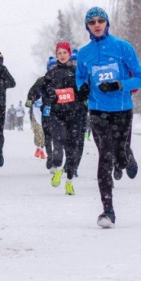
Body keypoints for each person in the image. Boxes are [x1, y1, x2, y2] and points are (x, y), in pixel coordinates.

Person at [75, 7, 141, 228]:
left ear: (107, 23)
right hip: (97, 112)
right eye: (91, 22)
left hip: (122, 110)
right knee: (105, 156)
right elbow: (80, 78)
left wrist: (119, 84)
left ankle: (127, 156)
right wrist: (82, 88)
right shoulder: (84, 53)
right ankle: (108, 211)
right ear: (87, 26)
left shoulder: (122, 47)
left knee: (120, 156)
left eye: (100, 20)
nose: (96, 25)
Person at [42, 41, 88, 195]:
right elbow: (45, 91)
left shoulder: (77, 71)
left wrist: (81, 97)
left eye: (65, 53)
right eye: (59, 53)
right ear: (56, 56)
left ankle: (69, 181)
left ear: (69, 54)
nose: (62, 56)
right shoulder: (51, 73)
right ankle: (56, 167)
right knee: (60, 140)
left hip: (74, 115)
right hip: (57, 114)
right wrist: (52, 96)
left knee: (73, 148)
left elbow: (84, 90)